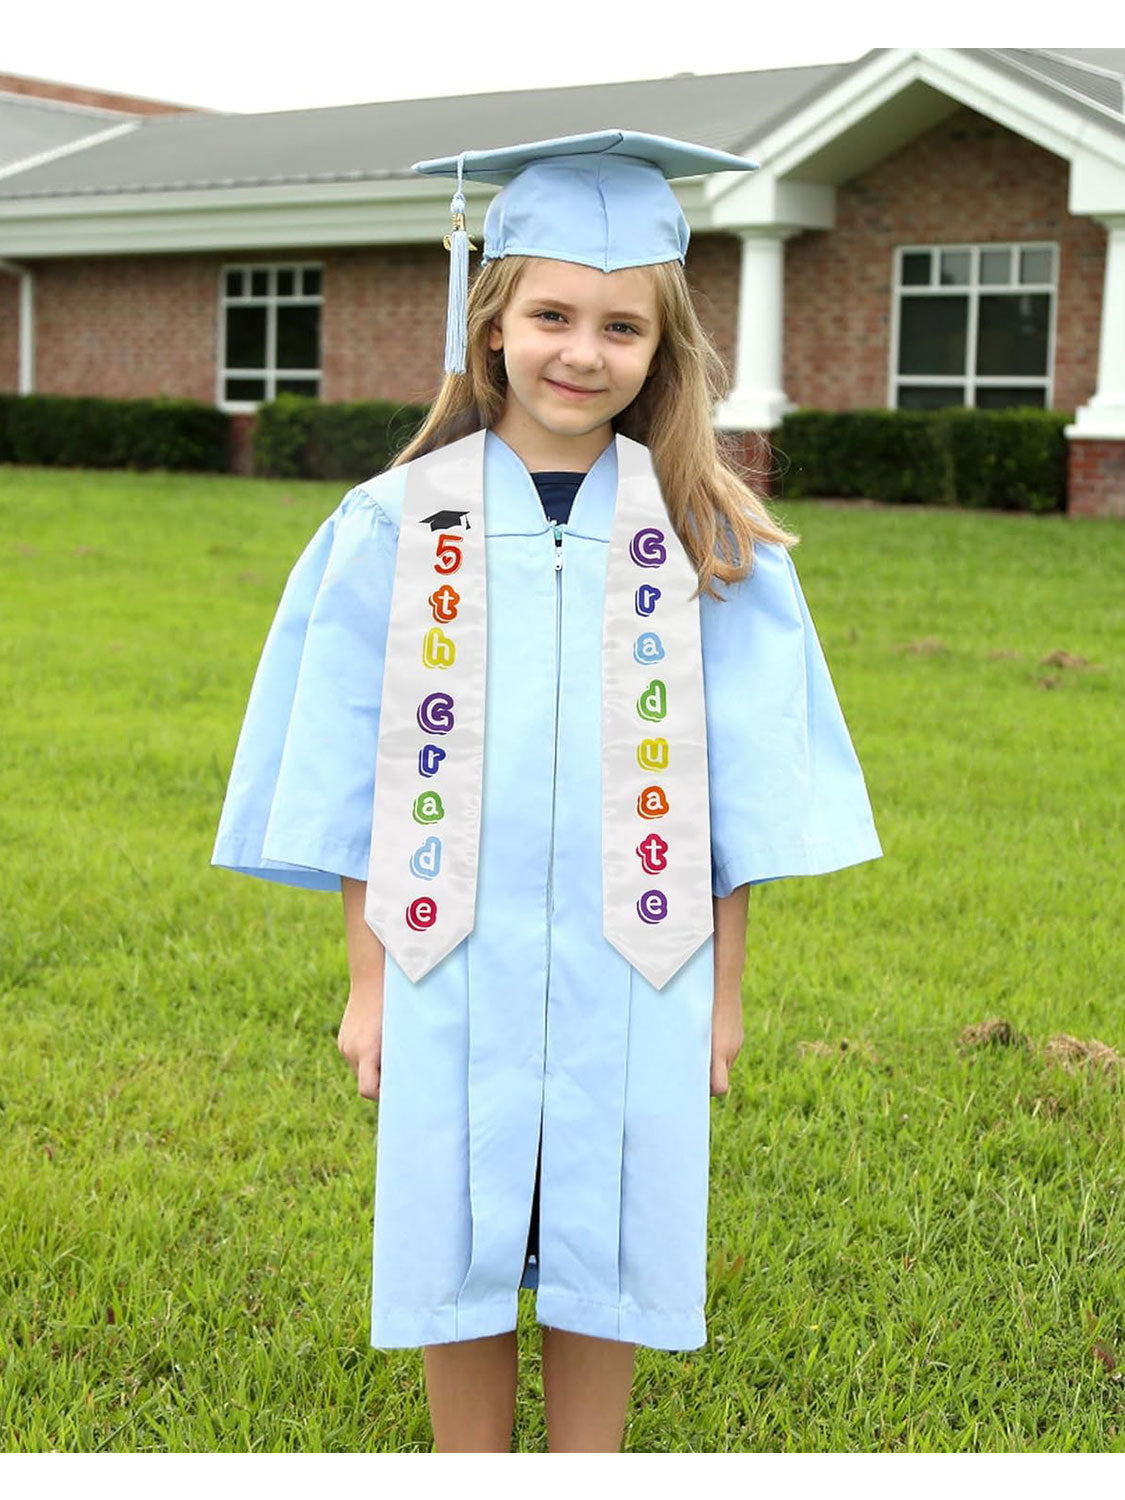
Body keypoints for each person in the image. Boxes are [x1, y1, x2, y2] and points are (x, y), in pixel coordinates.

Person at [211, 130, 883, 1453]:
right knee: (453, 1226)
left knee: (612, 1222)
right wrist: (364, 980)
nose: (582, 351)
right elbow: (358, 770)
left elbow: (734, 804)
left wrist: (722, 995)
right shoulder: (398, 523)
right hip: (440, 952)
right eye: (553, 316)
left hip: (638, 959)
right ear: (493, 323)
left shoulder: (705, 538)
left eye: (620, 325)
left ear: (662, 346)